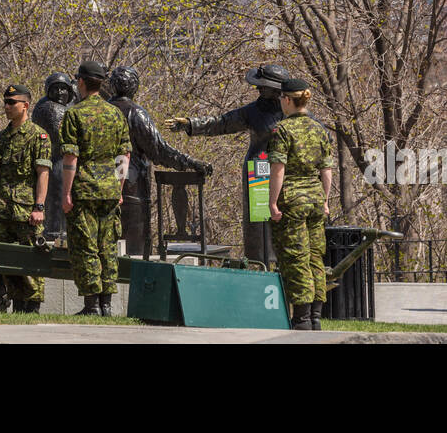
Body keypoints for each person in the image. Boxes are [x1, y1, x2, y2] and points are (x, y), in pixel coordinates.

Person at [165, 64, 290, 263]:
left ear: (276, 90)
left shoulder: (293, 113)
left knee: (284, 223)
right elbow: (221, 122)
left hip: (286, 175)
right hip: (258, 173)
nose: (258, 89)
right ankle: (259, 266)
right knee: (257, 228)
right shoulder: (253, 111)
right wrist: (191, 124)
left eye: (262, 86)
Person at [107, 65, 213, 256]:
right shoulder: (135, 114)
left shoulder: (102, 112)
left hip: (100, 190)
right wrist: (191, 162)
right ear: (135, 87)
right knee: (136, 256)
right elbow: (160, 151)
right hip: (132, 192)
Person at [60, 60, 131, 316]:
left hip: (85, 189)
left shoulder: (74, 114)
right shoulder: (116, 114)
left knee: (85, 246)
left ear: (80, 82)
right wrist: (119, 188)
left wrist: (67, 193)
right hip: (110, 191)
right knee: (108, 247)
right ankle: (107, 305)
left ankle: (91, 305)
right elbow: (124, 157)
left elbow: (71, 158)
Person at [267, 78, 335, 330]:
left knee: (296, 258)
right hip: (316, 199)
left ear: (287, 100)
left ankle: (302, 319)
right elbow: (327, 170)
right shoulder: (320, 129)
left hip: (292, 200)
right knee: (315, 257)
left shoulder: (282, 130)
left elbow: (277, 169)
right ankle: (316, 317)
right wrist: (325, 201)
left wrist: (273, 202)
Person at [0, 84, 52, 314]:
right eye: (5, 102)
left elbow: (43, 173)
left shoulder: (39, 136)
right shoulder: (2, 137)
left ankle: (32, 308)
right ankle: (17, 307)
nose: (6, 107)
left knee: (30, 262)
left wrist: (39, 207)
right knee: (8, 263)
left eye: (11, 102)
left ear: (25, 105)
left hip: (26, 212)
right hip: (3, 211)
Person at [31, 71, 76, 239]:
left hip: (63, 164)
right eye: (55, 89)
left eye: (63, 89)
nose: (59, 93)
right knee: (56, 202)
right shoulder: (50, 109)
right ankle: (55, 234)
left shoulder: (67, 106)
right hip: (55, 164)